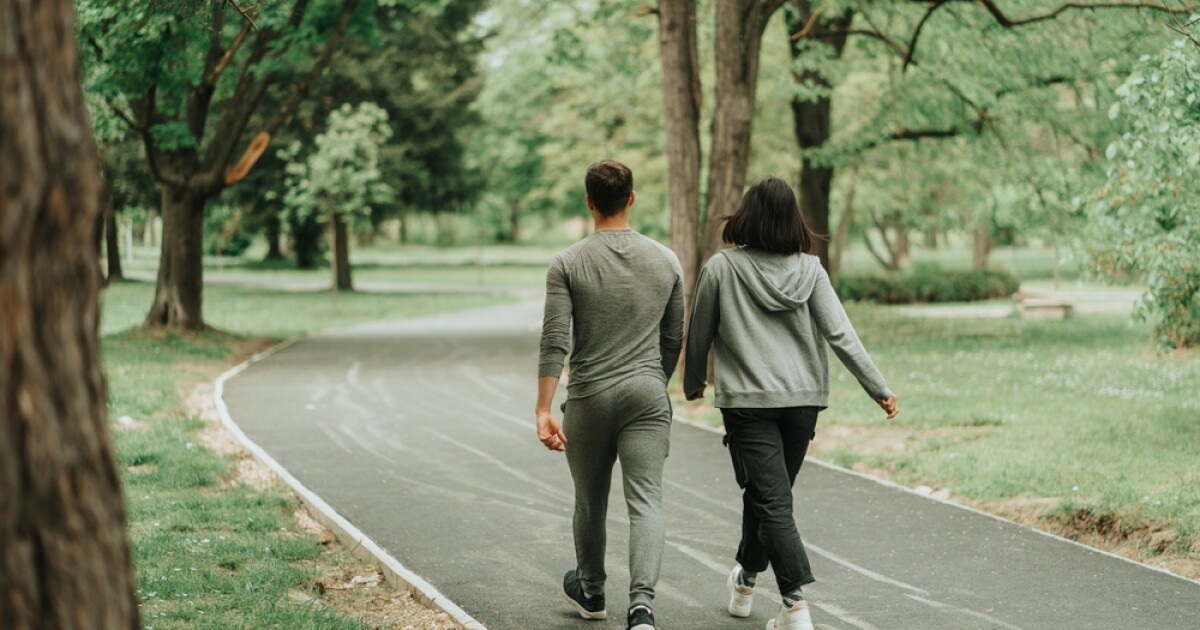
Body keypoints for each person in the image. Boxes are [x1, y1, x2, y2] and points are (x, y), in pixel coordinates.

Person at [683, 176, 898, 630]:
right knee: (770, 496)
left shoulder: (722, 268)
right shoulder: (810, 270)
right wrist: (877, 386)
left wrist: (694, 381)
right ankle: (744, 581)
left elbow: (699, 329)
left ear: (747, 216)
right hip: (803, 402)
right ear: (791, 220)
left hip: (748, 402)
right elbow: (840, 333)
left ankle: (795, 605)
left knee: (771, 500)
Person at [536, 160, 684, 630]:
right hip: (646, 392)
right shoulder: (667, 260)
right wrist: (652, 387)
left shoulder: (567, 262)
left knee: (590, 500)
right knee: (647, 501)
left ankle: (593, 592)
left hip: (588, 398)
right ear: (632, 198)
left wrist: (543, 408)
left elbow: (555, 339)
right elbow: (673, 336)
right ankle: (641, 609)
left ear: (589, 202)